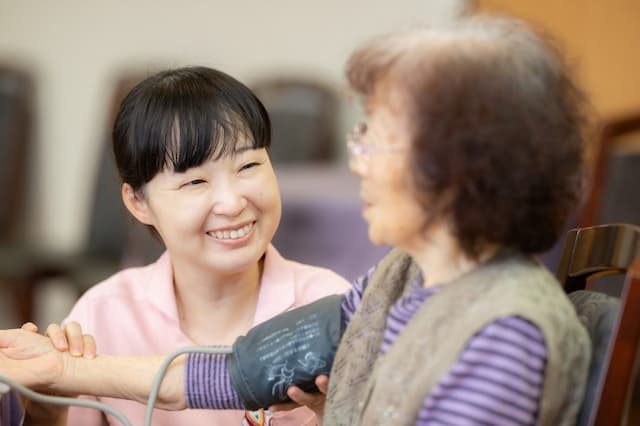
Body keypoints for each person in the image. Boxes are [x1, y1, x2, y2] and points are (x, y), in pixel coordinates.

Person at [0, 14, 591, 425]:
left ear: (461, 166)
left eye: (375, 140)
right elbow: (241, 371)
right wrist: (67, 370)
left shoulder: (503, 330)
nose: (355, 163)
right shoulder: (393, 282)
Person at [2, 66, 351, 426]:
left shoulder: (326, 307)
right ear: (139, 202)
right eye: (195, 181)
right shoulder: (104, 315)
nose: (231, 203)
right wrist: (49, 409)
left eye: (248, 165)